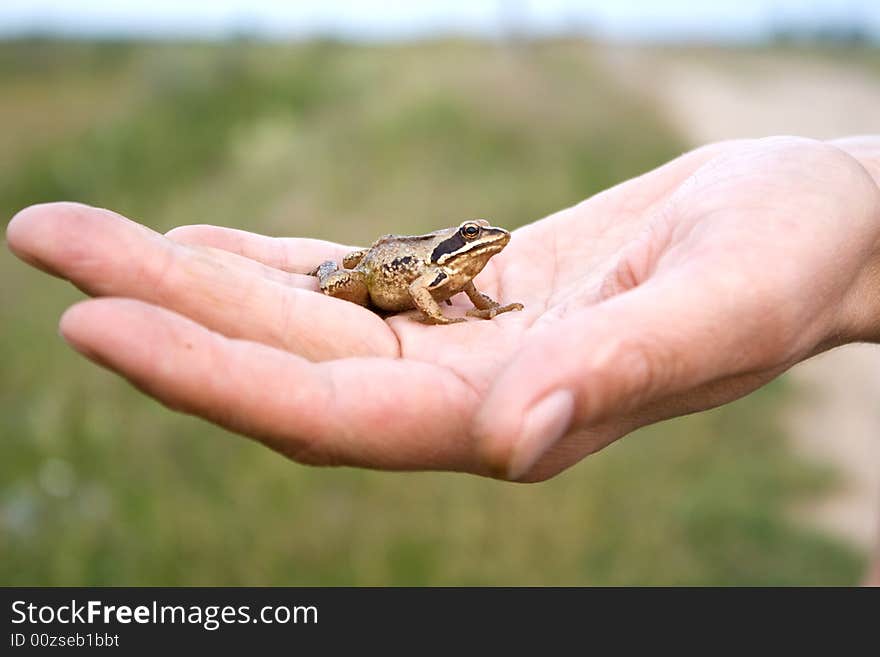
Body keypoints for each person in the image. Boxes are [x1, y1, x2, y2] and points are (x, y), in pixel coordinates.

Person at [7, 135, 880, 582]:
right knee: (329, 281)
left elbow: (455, 293)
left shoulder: (466, 270)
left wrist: (487, 304)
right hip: (370, 272)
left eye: (483, 246)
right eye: (475, 243)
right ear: (457, 243)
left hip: (400, 270)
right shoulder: (431, 269)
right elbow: (424, 295)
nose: (484, 247)